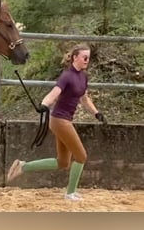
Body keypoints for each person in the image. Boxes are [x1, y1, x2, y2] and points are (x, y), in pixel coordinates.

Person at [7, 44, 107, 201]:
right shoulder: (67, 76)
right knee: (81, 156)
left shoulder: (83, 76)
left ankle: (23, 166)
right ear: (75, 57)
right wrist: (44, 104)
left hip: (65, 120)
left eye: (88, 57)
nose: (87, 60)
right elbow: (54, 93)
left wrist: (96, 113)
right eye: (84, 57)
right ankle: (70, 193)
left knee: (63, 162)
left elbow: (84, 98)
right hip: (59, 120)